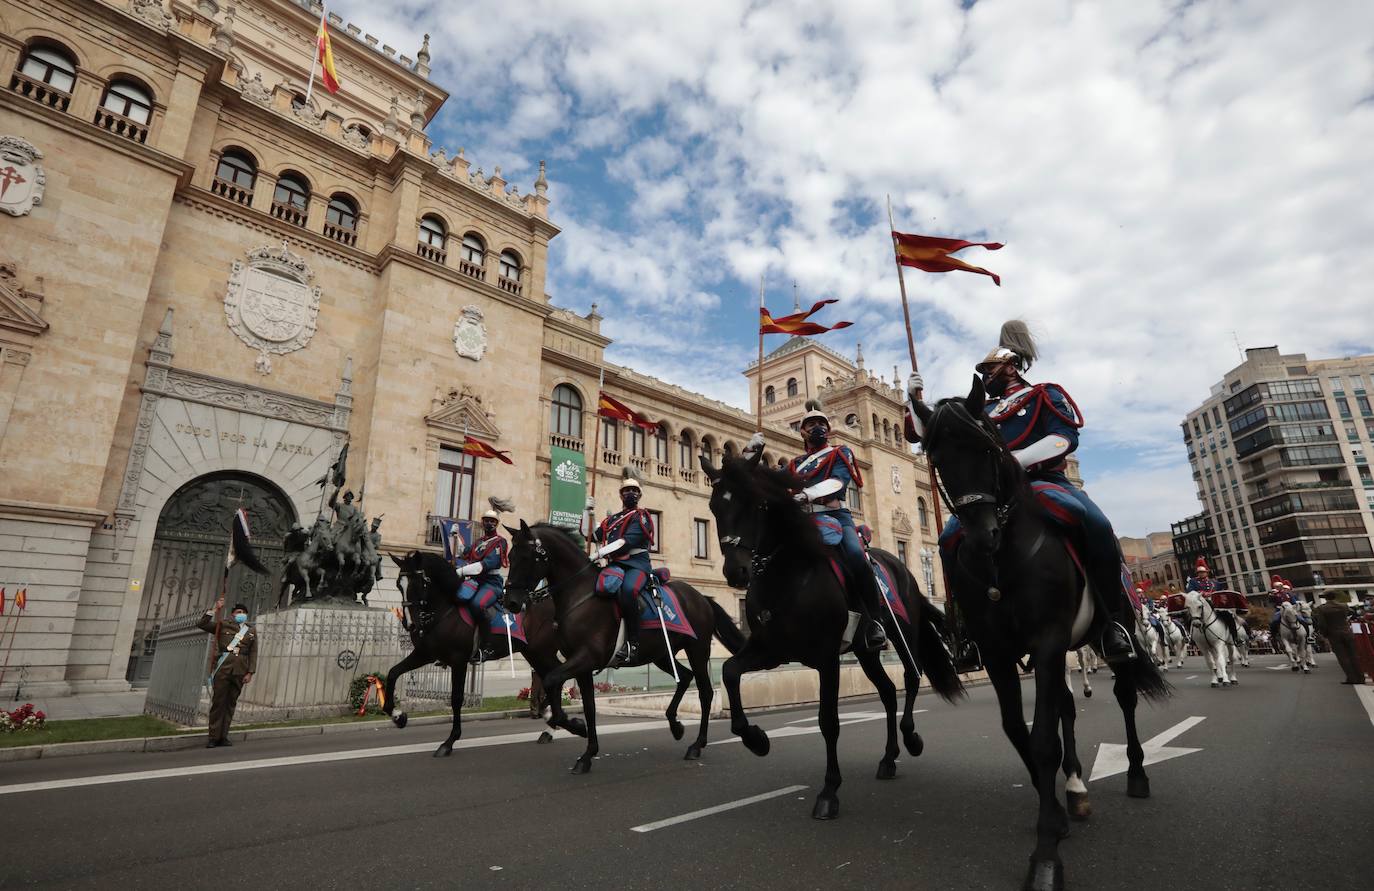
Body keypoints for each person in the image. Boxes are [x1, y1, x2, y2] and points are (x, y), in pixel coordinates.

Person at [911, 321, 1135, 664]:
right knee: (949, 539)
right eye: (983, 372)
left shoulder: (1044, 394)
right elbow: (929, 432)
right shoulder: (981, 411)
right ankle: (967, 631)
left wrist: (1014, 460)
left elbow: (1064, 438)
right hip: (997, 493)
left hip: (1043, 481)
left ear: (1011, 367)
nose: (986, 376)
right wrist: (913, 401)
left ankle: (1112, 621)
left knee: (1096, 523)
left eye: (990, 369)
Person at [788, 400, 887, 651]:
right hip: (804, 521)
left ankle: (876, 622)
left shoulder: (840, 452)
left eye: (821, 424)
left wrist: (805, 495)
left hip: (837, 517)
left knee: (856, 557)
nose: (817, 428)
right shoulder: (796, 463)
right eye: (811, 425)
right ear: (802, 432)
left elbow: (838, 483)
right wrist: (752, 453)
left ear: (828, 429)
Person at [591, 468, 656, 665]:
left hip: (637, 565)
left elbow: (627, 541)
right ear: (621, 495)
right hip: (616, 565)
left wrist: (599, 553)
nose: (631, 494)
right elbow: (592, 535)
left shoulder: (642, 515)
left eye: (635, 491)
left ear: (639, 495)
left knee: (628, 591)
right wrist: (588, 513)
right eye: (627, 491)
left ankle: (633, 644)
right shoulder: (612, 519)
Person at [197, 598, 257, 748]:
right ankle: (213, 737)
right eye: (238, 612)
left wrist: (250, 672)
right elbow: (202, 624)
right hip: (223, 668)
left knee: (231, 703)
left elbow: (253, 652)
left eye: (243, 612)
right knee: (218, 703)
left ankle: (224, 736)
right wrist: (214, 609)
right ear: (232, 614)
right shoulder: (223, 625)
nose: (241, 614)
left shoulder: (251, 630)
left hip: (240, 670)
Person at [457, 508, 509, 662]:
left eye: (492, 521)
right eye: (486, 520)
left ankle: (487, 647)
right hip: (474, 581)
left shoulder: (500, 542)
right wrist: (455, 537)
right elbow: (464, 553)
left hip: (491, 583)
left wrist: (461, 571)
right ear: (482, 522)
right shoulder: (479, 542)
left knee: (477, 604)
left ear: (496, 523)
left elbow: (489, 563)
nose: (489, 523)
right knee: (456, 599)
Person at [1312, 596, 1364, 684]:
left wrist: (1325, 634)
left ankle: (1351, 678)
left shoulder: (1322, 608)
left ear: (1326, 598)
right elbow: (1350, 613)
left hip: (1334, 634)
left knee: (1343, 657)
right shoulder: (1344, 605)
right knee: (1354, 655)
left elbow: (1321, 624)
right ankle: (1361, 678)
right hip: (1348, 632)